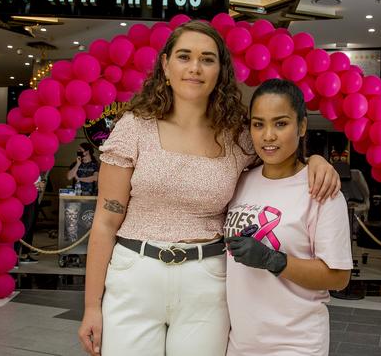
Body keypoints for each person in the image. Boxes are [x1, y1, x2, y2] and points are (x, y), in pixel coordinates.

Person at [77, 21, 341, 356]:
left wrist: (315, 160)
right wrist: (91, 307)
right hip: (134, 275)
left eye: (207, 59)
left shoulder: (236, 136)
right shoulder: (134, 128)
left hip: (207, 281)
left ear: (220, 70)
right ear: (165, 65)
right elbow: (104, 222)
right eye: (184, 56)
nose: (195, 68)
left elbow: (280, 156)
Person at [224, 79, 352, 356]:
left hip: (295, 342)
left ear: (302, 126)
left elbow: (339, 277)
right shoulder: (240, 182)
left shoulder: (320, 190)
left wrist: (273, 260)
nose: (268, 135)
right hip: (240, 342)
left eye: (280, 124)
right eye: (258, 124)